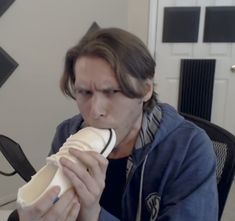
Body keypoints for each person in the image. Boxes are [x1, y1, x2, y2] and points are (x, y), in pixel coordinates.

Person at [17, 27, 218, 221]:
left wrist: (94, 215)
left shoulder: (189, 148)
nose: (95, 111)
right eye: (84, 92)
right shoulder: (66, 133)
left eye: (112, 92)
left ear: (145, 90)